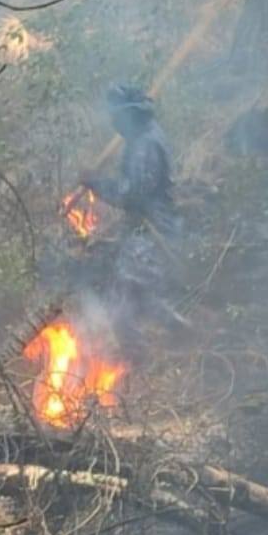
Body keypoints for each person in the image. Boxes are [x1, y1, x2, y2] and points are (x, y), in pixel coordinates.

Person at [80, 84, 187, 357]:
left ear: (129, 115)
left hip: (151, 231)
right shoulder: (142, 139)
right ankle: (182, 329)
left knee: (120, 304)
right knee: (143, 295)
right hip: (145, 230)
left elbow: (133, 195)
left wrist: (96, 182)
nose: (114, 123)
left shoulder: (145, 145)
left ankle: (136, 360)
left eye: (116, 117)